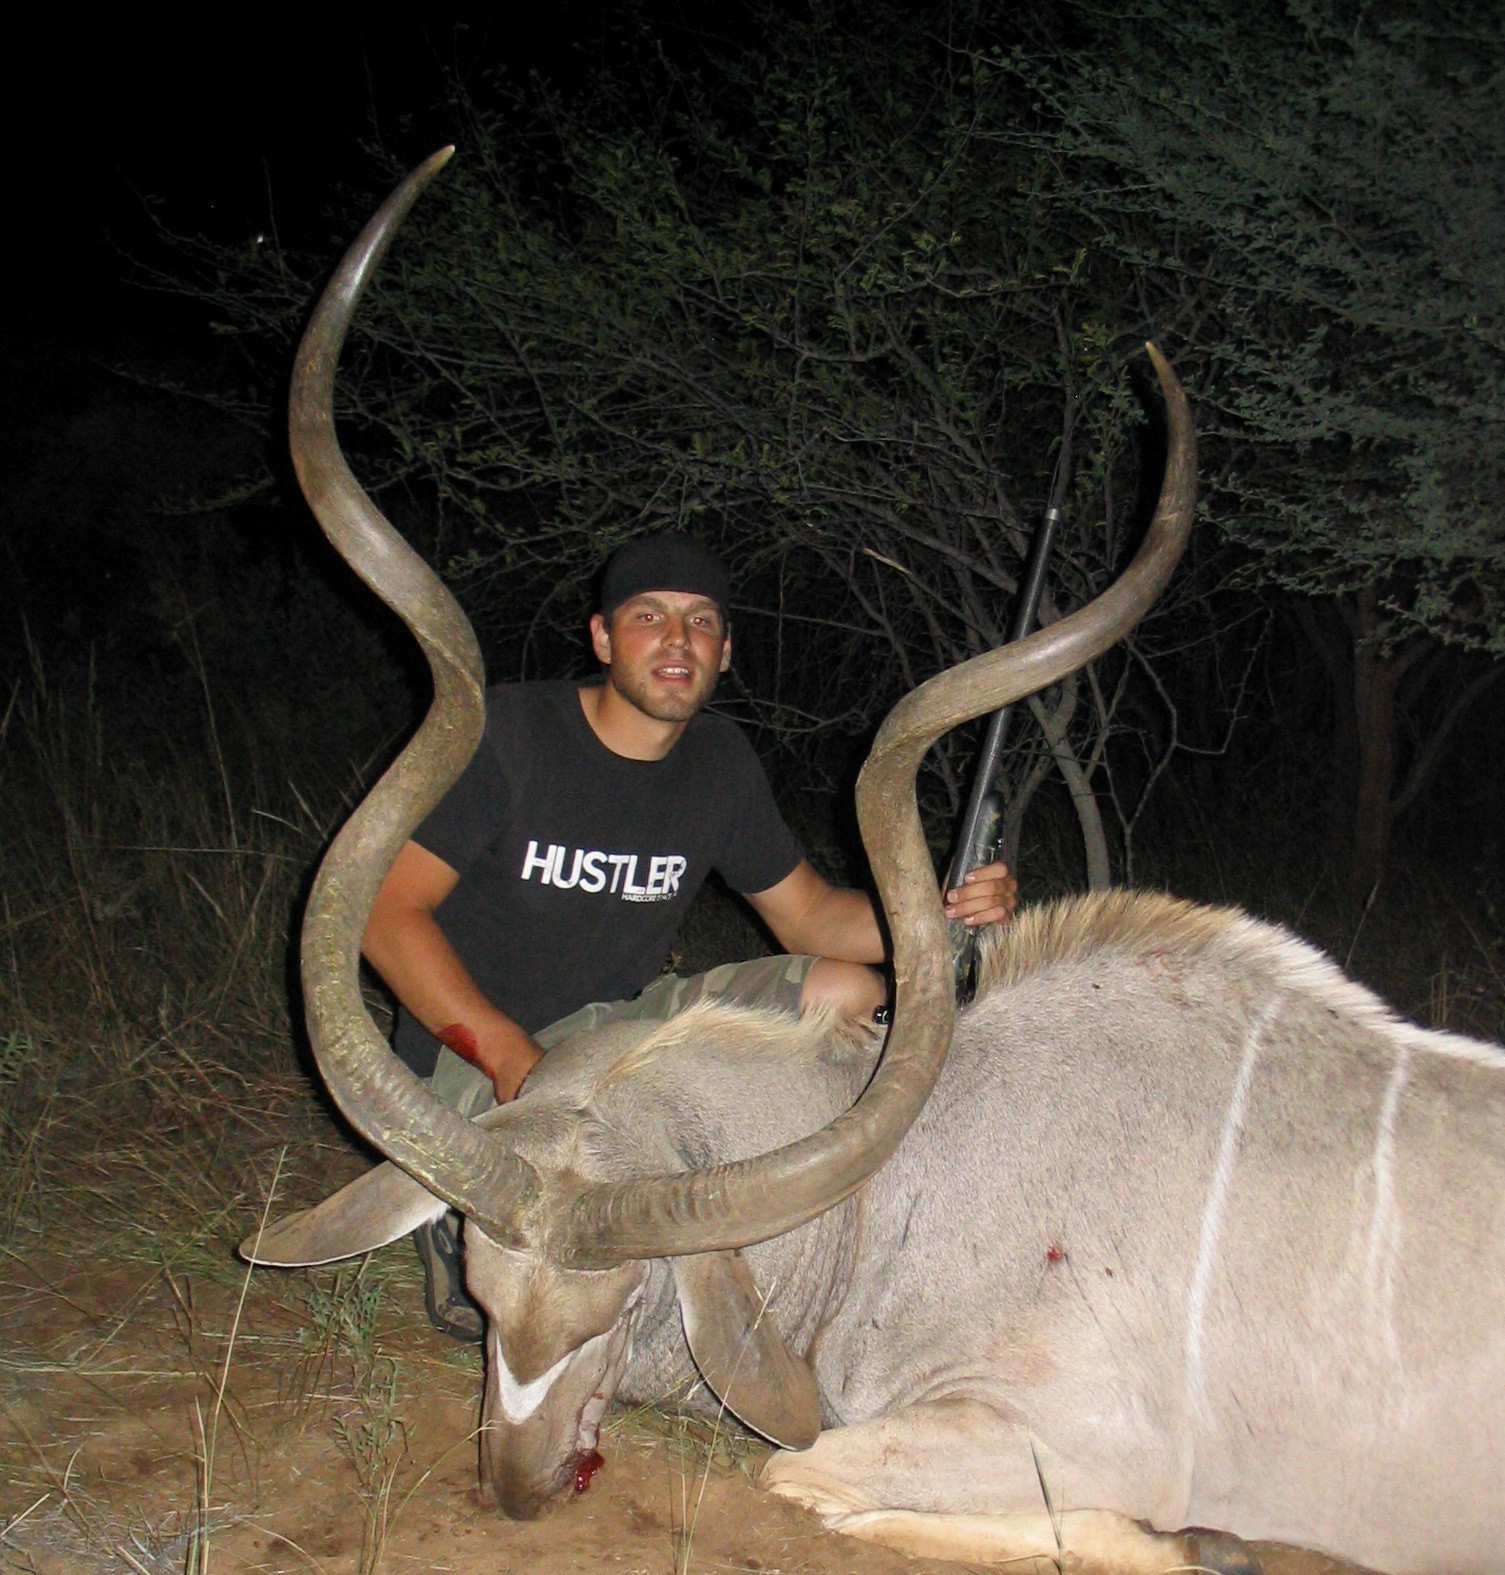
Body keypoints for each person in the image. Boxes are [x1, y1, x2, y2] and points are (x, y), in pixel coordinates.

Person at [362, 532, 1017, 1338]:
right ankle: (452, 1215)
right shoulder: (510, 734)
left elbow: (811, 917)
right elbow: (385, 915)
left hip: (613, 1036)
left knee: (849, 995)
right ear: (603, 639)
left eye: (702, 622)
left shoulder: (719, 762)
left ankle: (815, 1245)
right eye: (649, 616)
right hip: (470, 1052)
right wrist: (507, 1056)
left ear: (725, 651)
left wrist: (940, 907)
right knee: (558, 1265)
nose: (679, 640)